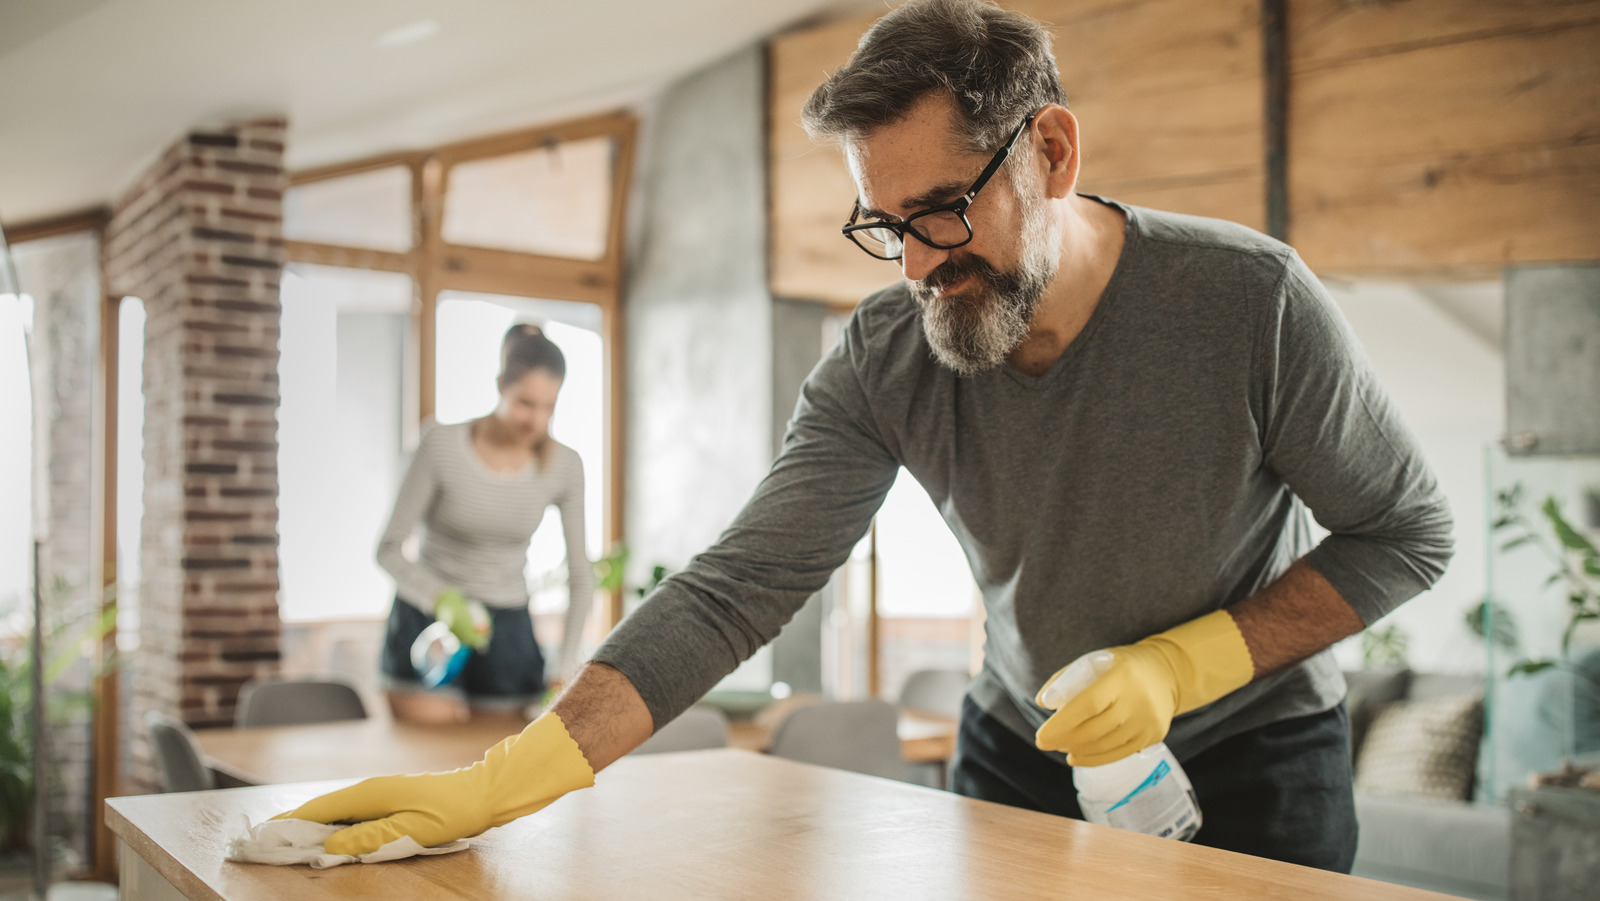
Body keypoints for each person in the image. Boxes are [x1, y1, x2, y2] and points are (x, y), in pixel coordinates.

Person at [284, 0, 1452, 871]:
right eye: (883, 225)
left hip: (1252, 757)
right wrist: (509, 777)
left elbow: (1405, 531)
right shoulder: (887, 353)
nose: (919, 266)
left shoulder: (1250, 303)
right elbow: (737, 587)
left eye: (943, 209)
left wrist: (1179, 664)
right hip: (1019, 747)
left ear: (1050, 152)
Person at [375, 322, 593, 723]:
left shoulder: (565, 466)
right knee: (427, 763)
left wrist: (563, 670)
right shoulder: (440, 444)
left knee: (498, 765)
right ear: (500, 385)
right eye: (526, 403)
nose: (537, 421)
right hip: (427, 620)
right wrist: (442, 599)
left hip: (507, 630)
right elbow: (388, 549)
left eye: (550, 406)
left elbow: (582, 575)